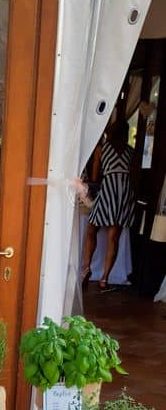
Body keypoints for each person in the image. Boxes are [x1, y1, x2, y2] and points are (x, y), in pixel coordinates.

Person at [81, 121, 135, 291]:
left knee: (91, 230)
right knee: (113, 237)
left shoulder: (102, 149)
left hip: (108, 188)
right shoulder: (130, 151)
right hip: (124, 191)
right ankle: (104, 278)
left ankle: (87, 268)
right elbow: (134, 175)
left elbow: (95, 176)